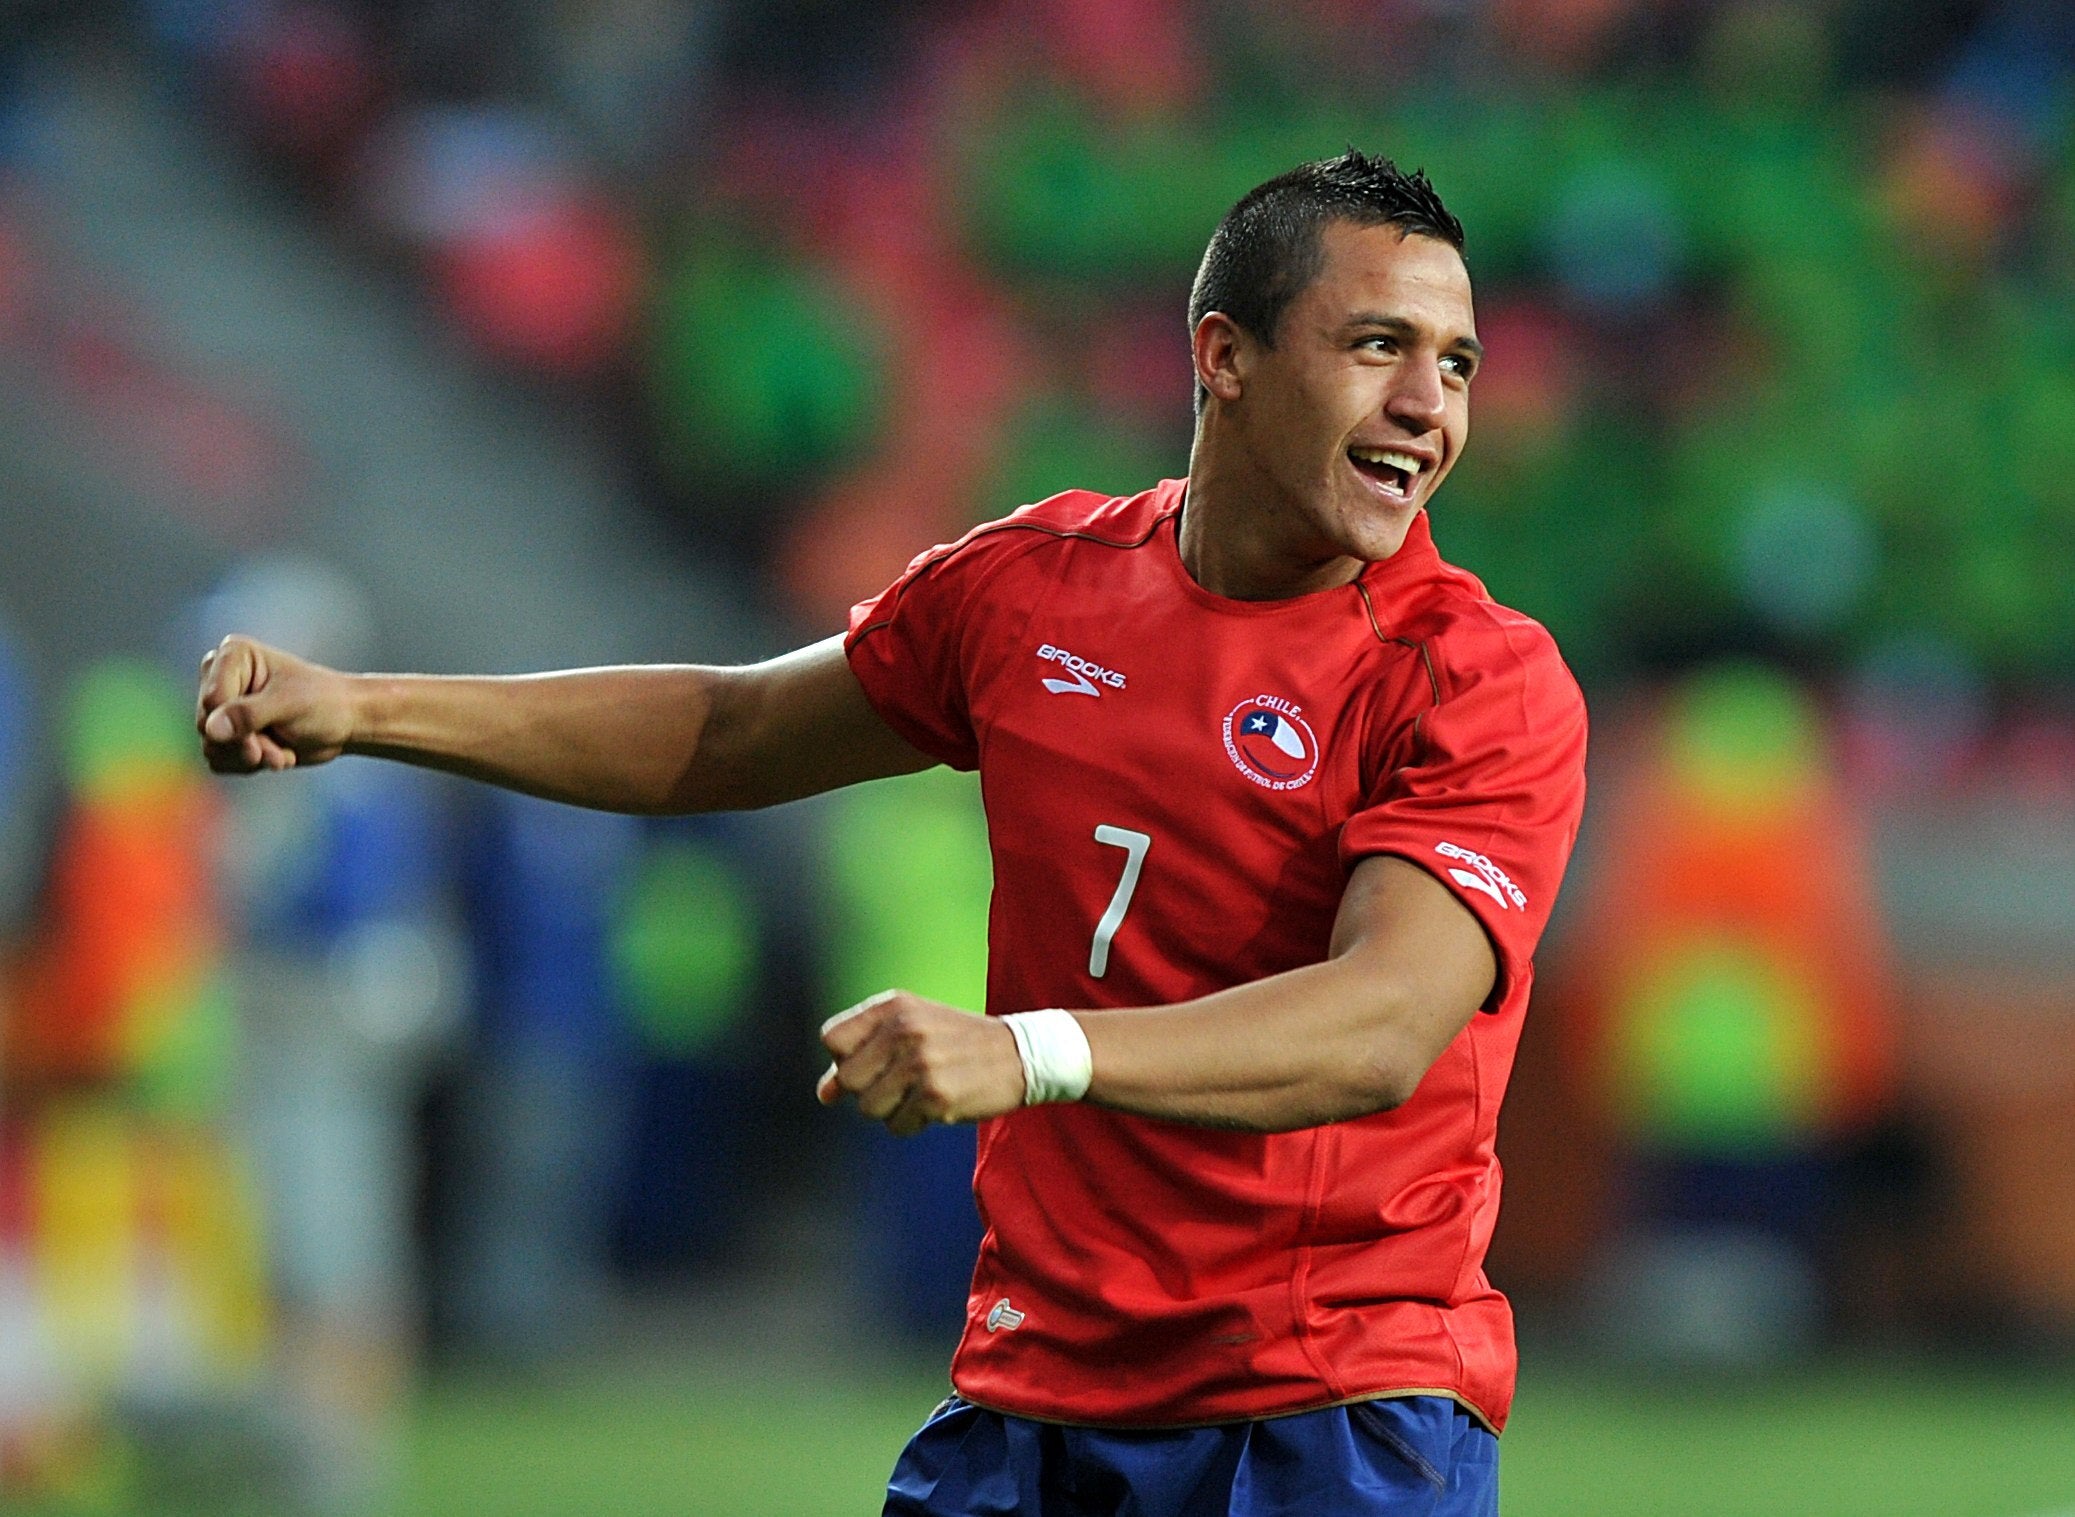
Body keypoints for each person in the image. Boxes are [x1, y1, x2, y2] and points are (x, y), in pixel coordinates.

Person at [196, 151, 1587, 1517]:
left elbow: (1384, 1022)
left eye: (1456, 363)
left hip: (1330, 1405)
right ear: (1225, 357)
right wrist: (364, 705)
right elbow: (731, 730)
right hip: (1037, 1392)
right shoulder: (1034, 592)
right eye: (1378, 345)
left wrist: (1026, 1049)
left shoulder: (1474, 676)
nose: (1428, 404)